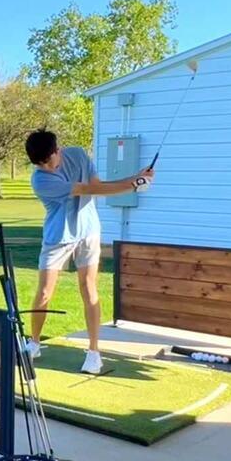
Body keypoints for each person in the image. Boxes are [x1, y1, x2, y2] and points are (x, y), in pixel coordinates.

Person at [24, 129, 153, 375]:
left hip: (88, 232)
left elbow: (96, 185)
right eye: (40, 164)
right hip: (58, 237)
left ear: (58, 150)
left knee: (88, 287)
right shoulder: (40, 180)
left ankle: (94, 353)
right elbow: (87, 190)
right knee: (44, 292)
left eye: (48, 161)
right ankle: (34, 343)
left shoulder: (78, 155)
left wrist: (136, 178)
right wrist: (134, 184)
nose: (46, 167)